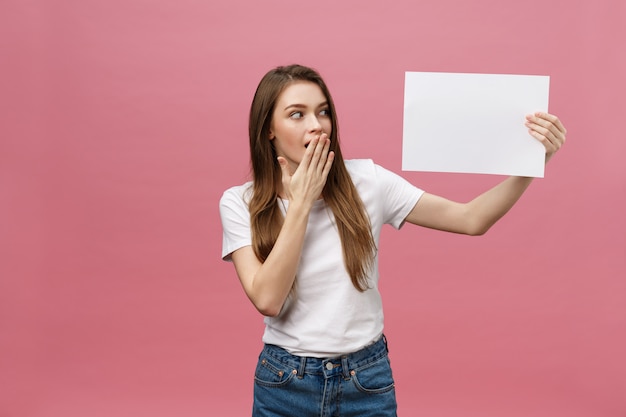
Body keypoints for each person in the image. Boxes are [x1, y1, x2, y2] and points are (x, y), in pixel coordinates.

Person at [219, 64, 566, 417]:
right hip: (285, 384)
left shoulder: (368, 181)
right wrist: (302, 203)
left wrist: (531, 162)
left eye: (323, 111)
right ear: (268, 131)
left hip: (365, 380)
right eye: (297, 114)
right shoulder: (239, 203)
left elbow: (470, 219)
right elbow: (267, 299)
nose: (316, 124)